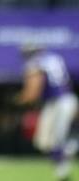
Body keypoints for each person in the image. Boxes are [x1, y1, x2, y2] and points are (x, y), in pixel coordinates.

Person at [19, 41, 77, 180]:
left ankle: (70, 150)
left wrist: (20, 100)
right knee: (45, 142)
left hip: (58, 103)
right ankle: (65, 162)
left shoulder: (35, 62)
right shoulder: (54, 58)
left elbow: (34, 88)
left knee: (53, 141)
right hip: (65, 100)